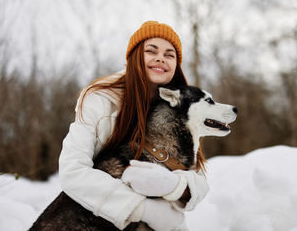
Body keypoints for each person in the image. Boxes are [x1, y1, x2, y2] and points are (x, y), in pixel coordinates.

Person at [59, 21, 209, 230]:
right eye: (151, 51)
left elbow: (199, 179)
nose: (160, 58)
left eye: (169, 54)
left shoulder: (181, 107)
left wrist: (175, 186)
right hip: (93, 215)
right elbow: (72, 170)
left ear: (175, 65)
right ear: (136, 56)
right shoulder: (99, 98)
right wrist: (143, 209)